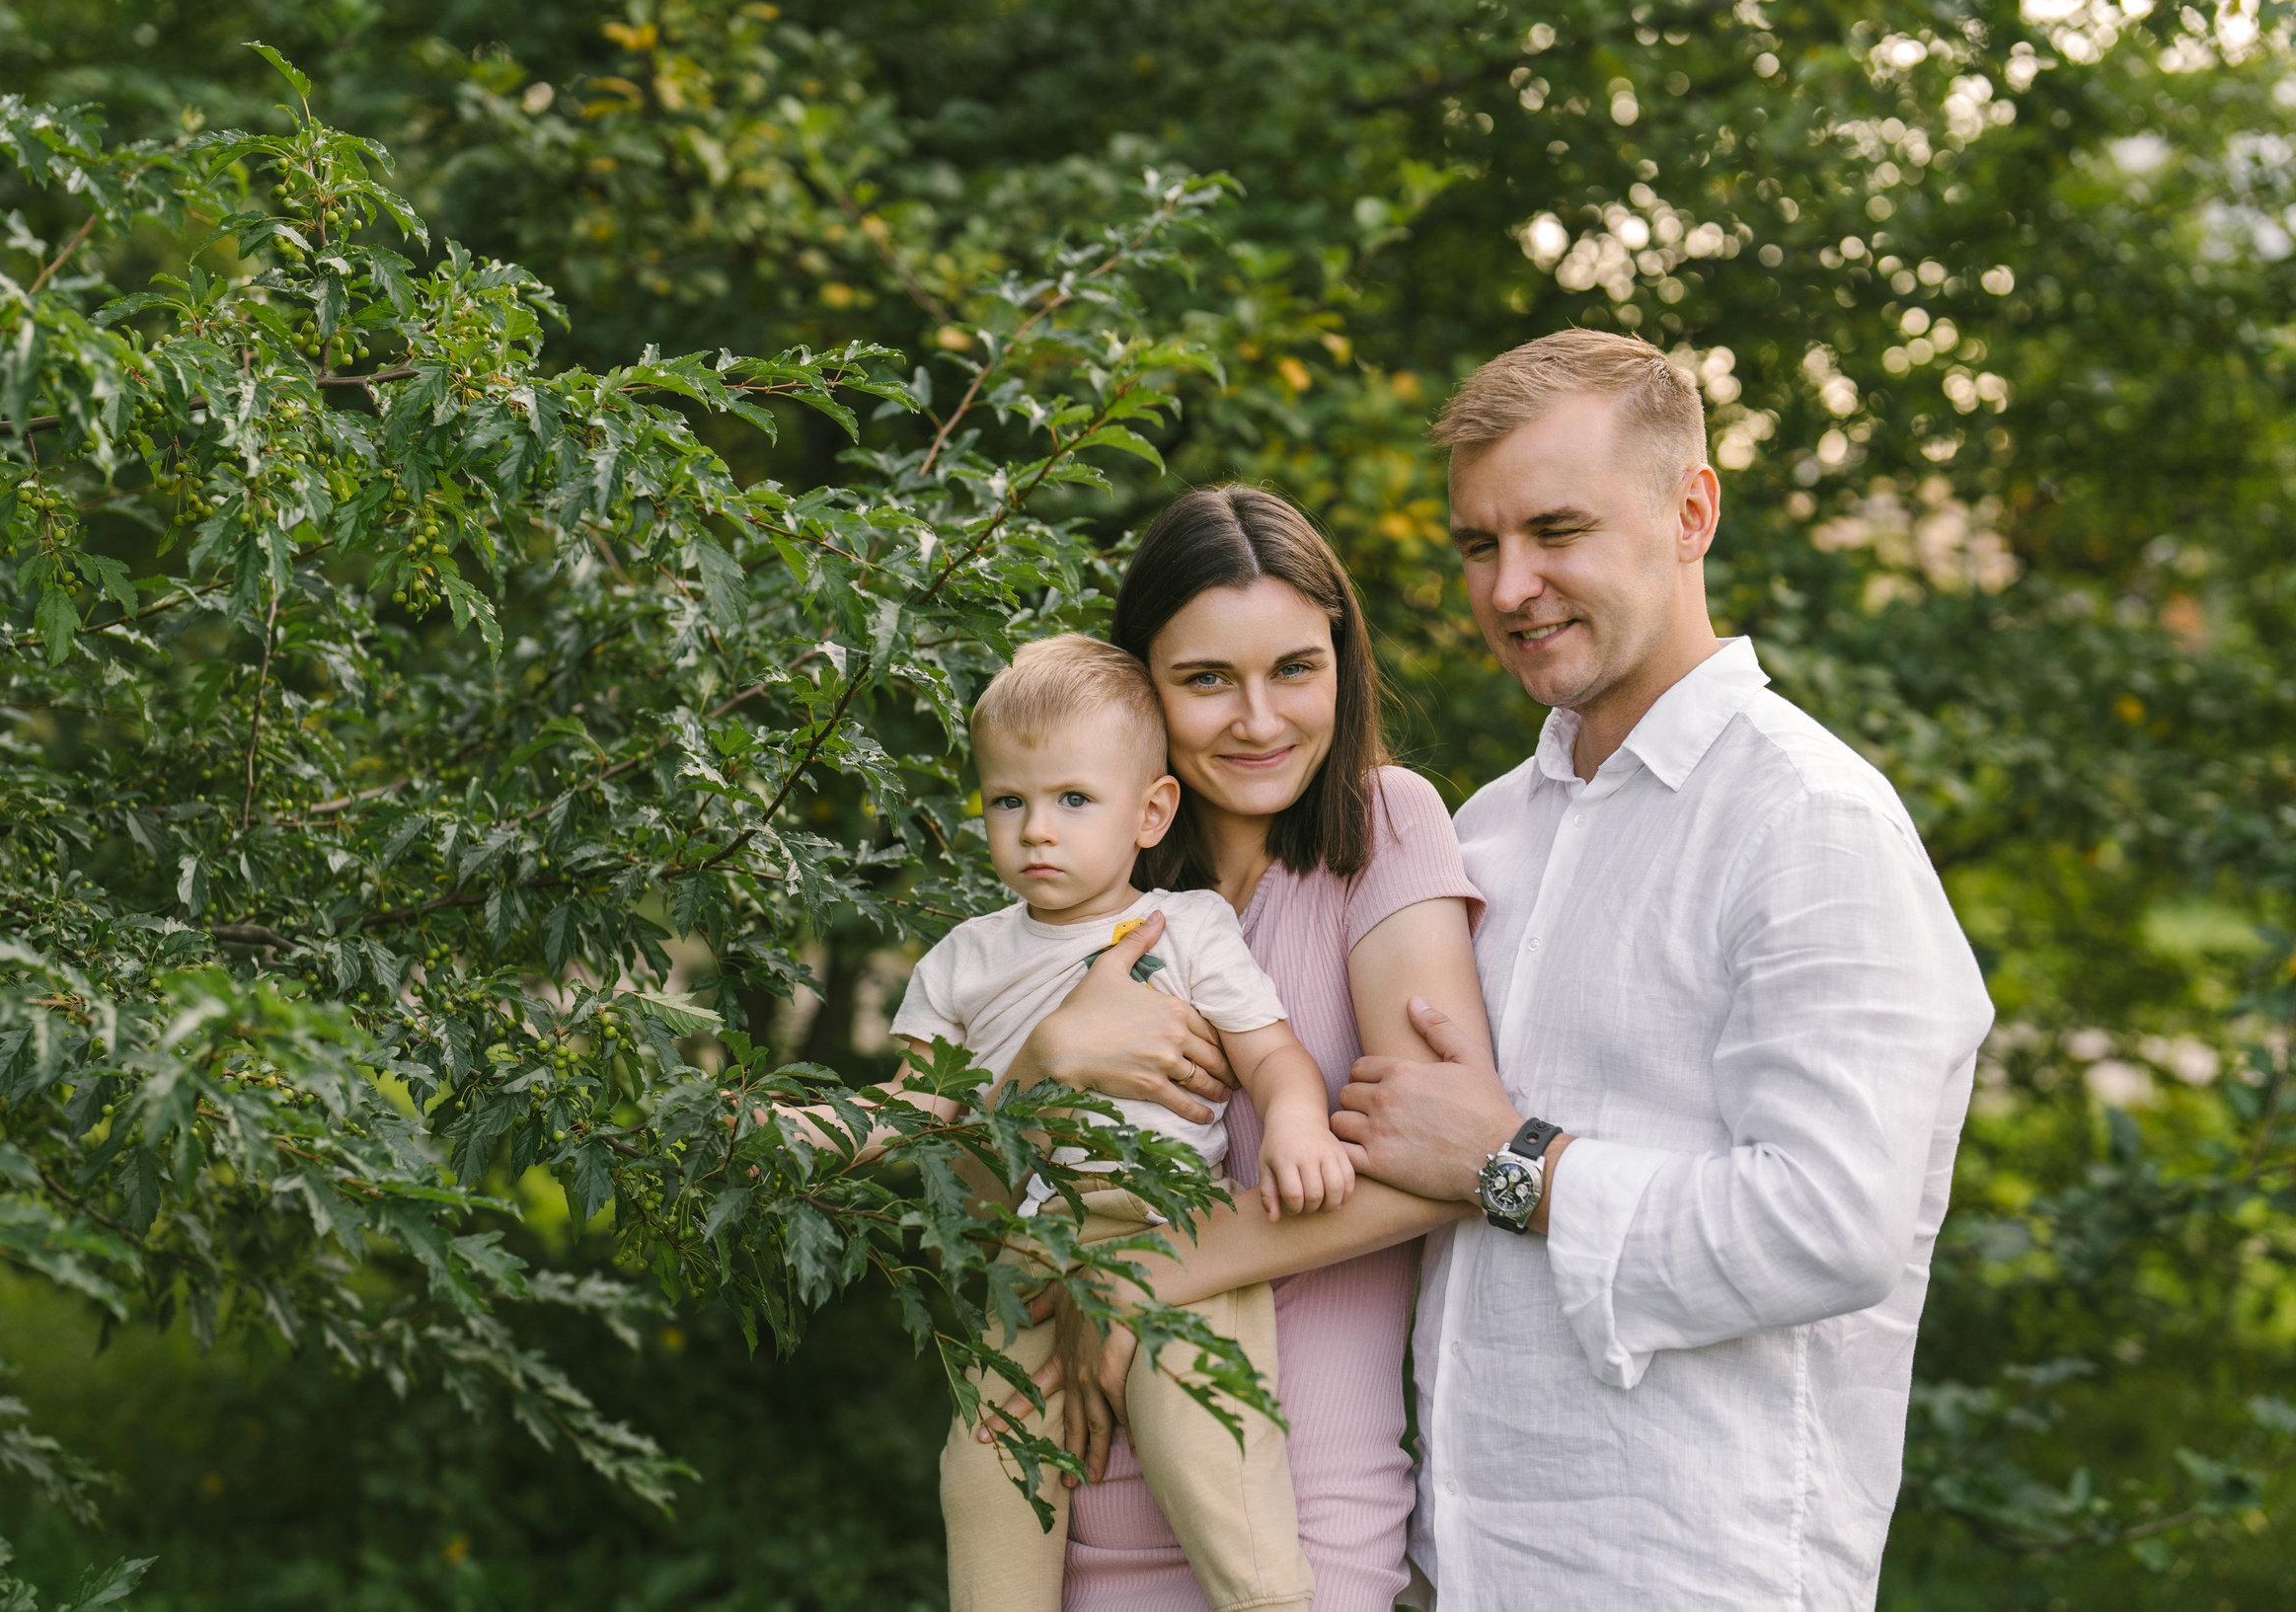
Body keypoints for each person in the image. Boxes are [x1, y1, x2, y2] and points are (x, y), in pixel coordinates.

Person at [1320, 329, 1997, 1608]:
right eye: (1478, 544)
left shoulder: (1807, 816)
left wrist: (1513, 1162)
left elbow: (1829, 1224)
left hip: (1693, 1572)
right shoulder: (1485, 830)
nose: (1511, 586)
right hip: (1460, 1573)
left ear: (1692, 513)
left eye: (1556, 530)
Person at [990, 489, 1492, 1612]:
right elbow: (975, 1208)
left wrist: (1139, 1270)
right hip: (1079, 1523)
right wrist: (1038, 1066)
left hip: (1294, 1536)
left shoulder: (1383, 828)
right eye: (1207, 678)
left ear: (1341, 663)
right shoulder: (1081, 887)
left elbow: (1444, 1162)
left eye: (1295, 669)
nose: (1259, 720)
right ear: (1140, 690)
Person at [799, 633, 1357, 1612]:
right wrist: (803, 1131)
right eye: (1007, 802)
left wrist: (1298, 1123)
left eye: (1071, 800)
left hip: (1172, 1227)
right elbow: (922, 1106)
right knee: (985, 1460)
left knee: (1199, 1433)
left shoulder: (1186, 928)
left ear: (1151, 812)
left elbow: (1269, 1053)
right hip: (1030, 1248)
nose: (1036, 832)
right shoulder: (964, 958)